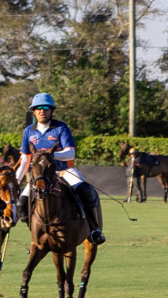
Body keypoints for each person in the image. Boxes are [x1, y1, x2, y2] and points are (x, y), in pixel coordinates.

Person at [14, 92, 105, 244]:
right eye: (38, 108)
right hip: (39, 176)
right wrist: (16, 181)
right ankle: (36, 238)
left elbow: (71, 152)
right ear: (34, 111)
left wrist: (50, 157)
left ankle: (94, 229)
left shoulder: (61, 127)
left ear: (51, 111)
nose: (42, 111)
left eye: (45, 108)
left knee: (86, 192)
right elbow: (25, 159)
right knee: (21, 204)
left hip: (63, 171)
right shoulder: (29, 131)